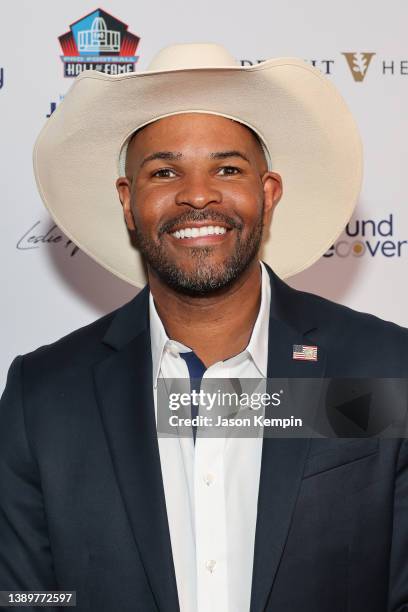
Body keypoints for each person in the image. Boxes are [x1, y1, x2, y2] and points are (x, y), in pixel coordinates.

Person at [0, 43, 407, 612]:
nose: (197, 195)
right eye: (165, 171)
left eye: (227, 168)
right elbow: (31, 599)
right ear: (128, 200)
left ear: (268, 193)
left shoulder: (385, 367)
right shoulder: (43, 396)